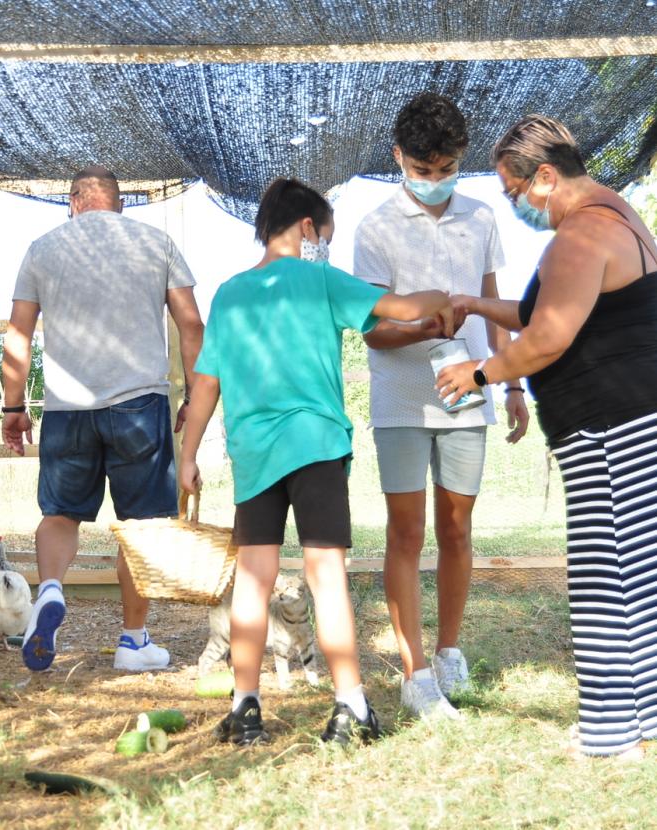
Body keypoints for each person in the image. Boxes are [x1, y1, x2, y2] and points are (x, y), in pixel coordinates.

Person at [179, 177, 455, 746]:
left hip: (255, 452)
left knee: (253, 581)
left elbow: (205, 382)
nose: (323, 244)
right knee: (326, 576)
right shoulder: (322, 278)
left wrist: (187, 455)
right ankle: (350, 704)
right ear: (307, 227)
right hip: (318, 444)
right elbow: (400, 308)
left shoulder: (230, 292)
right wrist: (447, 299)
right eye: (323, 233)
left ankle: (245, 706)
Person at [437, 115, 657, 759]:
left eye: (514, 193)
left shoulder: (582, 234)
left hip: (613, 426)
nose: (514, 207)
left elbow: (549, 338)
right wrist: (477, 306)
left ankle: (609, 733)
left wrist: (479, 371)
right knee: (636, 576)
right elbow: (549, 313)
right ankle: (639, 723)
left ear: (545, 176)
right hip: (628, 418)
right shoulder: (621, 219)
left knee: (606, 579)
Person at [352, 92, 529, 719]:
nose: (434, 181)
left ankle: (449, 651)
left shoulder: (482, 219)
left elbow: (494, 302)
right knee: (406, 533)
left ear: (461, 160)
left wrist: (509, 384)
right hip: (401, 399)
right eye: (423, 171)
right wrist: (428, 327)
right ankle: (415, 672)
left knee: (456, 529)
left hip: (469, 394)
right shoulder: (374, 227)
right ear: (399, 157)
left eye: (446, 168)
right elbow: (371, 329)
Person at [2, 165, 205, 673]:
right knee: (141, 528)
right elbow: (191, 322)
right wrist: (196, 394)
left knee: (60, 514)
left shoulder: (42, 249)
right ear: (119, 203)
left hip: (68, 409)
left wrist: (12, 406)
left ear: (73, 203)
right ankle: (133, 642)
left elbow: (18, 334)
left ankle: (49, 590)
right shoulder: (156, 242)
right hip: (139, 405)